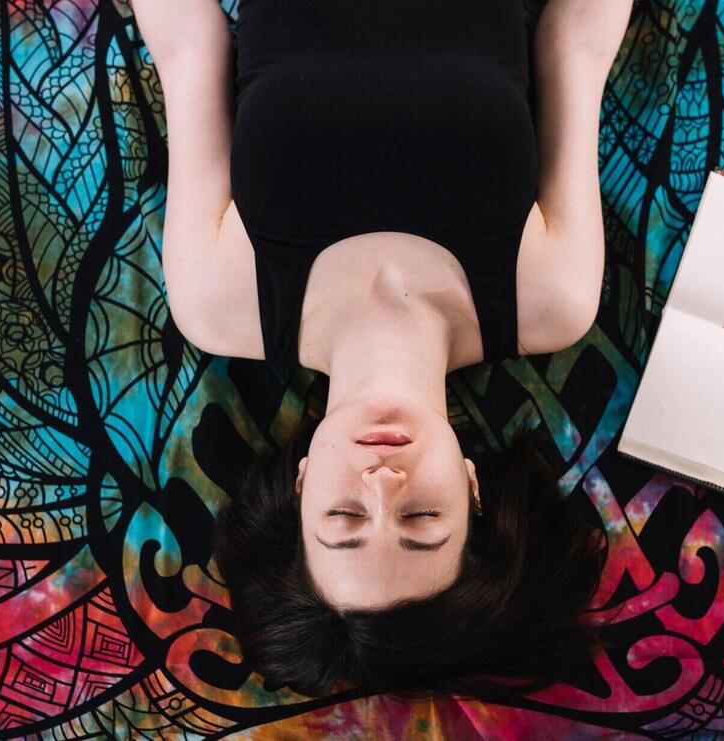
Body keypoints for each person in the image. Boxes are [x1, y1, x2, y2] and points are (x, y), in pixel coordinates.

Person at [126, 0, 633, 698]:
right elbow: (576, 46)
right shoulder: (551, 296)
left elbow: (187, 47)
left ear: (301, 487)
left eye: (345, 518)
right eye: (422, 519)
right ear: (473, 490)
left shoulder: (220, 300)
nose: (382, 481)